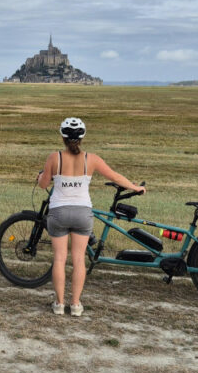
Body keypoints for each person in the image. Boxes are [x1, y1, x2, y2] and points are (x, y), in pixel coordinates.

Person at [38, 117, 145, 317]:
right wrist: (136, 187)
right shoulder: (91, 159)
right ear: (82, 137)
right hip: (82, 213)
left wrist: (40, 177)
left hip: (59, 213)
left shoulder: (55, 158)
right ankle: (76, 305)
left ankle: (59, 304)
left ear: (62, 137)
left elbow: (44, 185)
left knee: (59, 259)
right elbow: (115, 177)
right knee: (79, 260)